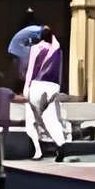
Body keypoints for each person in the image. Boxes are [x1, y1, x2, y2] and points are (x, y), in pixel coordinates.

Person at [18, 27, 69, 159]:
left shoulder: (36, 48)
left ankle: (38, 149)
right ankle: (60, 143)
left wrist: (26, 88)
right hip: (53, 87)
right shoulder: (57, 48)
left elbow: (31, 70)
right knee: (52, 118)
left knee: (31, 120)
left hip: (37, 86)